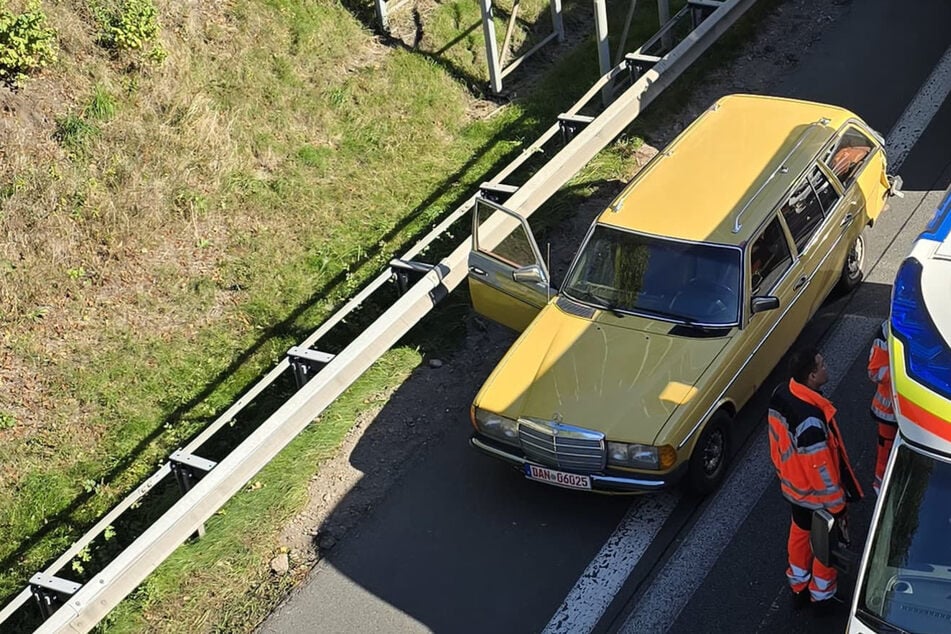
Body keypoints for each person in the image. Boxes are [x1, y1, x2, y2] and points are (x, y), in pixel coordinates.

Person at [767, 347, 864, 613]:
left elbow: (778, 442)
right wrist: (837, 506)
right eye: (821, 365)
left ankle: (798, 584)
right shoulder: (810, 420)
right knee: (825, 544)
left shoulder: (781, 394)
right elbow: (821, 470)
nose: (826, 367)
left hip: (792, 486)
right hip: (816, 496)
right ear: (811, 376)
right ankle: (821, 594)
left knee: (799, 534)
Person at [867, 321, 897, 495]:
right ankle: (881, 487)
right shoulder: (888, 330)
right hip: (889, 410)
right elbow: (874, 371)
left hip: (912, 406)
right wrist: (905, 373)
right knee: (885, 452)